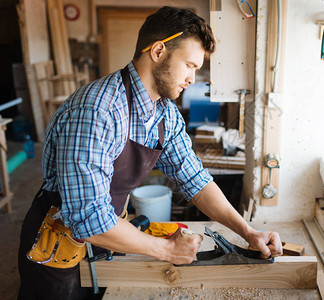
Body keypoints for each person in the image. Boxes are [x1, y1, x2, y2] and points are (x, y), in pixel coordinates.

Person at [18, 6, 282, 299]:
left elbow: (195, 179)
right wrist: (166, 249)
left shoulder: (165, 114)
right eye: (190, 66)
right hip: (56, 245)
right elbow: (88, 218)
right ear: (158, 51)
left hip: (110, 236)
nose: (193, 78)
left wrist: (247, 232)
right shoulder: (98, 109)